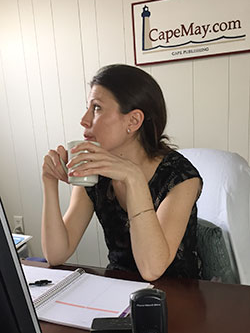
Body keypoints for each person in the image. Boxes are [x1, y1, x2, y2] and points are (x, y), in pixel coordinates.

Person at [41, 64, 202, 281]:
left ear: (134, 120)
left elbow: (152, 269)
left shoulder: (181, 177)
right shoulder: (93, 170)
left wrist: (133, 178)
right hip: (117, 291)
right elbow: (55, 254)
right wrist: (49, 182)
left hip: (178, 295)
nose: (84, 119)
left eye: (96, 108)